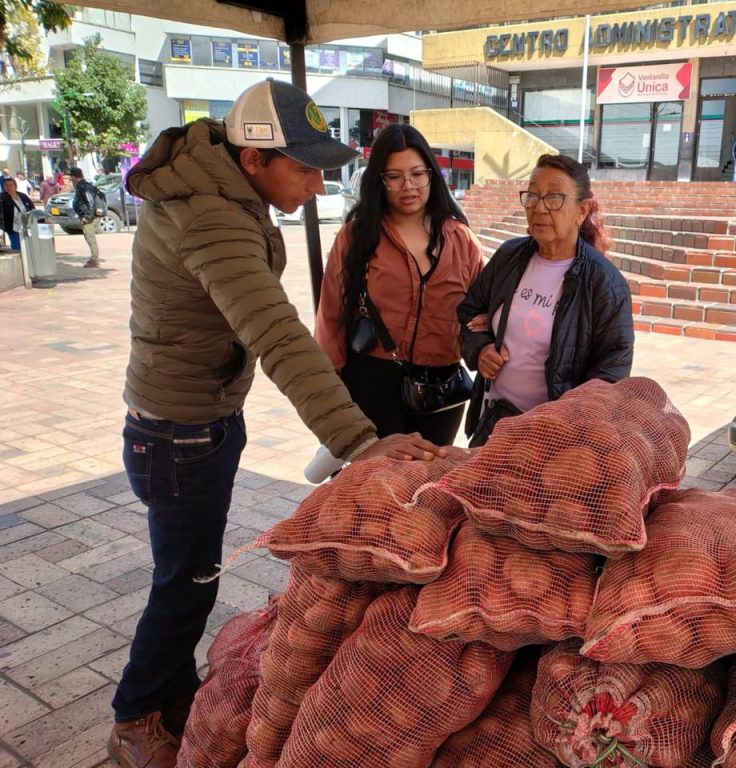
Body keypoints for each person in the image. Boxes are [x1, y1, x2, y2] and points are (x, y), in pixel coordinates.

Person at [107, 79, 444, 768]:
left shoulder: (225, 189)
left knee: (192, 573)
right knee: (186, 580)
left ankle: (170, 692)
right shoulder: (212, 216)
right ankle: (134, 715)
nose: (319, 186)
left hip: (200, 420)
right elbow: (278, 336)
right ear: (254, 159)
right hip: (179, 433)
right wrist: (360, 443)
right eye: (306, 168)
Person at [315, 124, 484, 446]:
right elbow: (331, 316)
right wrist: (328, 392)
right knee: (382, 472)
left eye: (417, 174)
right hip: (373, 379)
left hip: (442, 384)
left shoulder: (460, 239)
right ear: (380, 180)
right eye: (394, 176)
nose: (408, 186)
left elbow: (483, 308)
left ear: (432, 176)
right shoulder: (357, 237)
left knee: (431, 469)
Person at [458, 153, 634, 445]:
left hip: (553, 439)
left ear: (581, 210)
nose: (539, 208)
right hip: (494, 423)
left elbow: (611, 370)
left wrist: (565, 427)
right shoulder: (509, 256)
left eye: (554, 198)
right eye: (532, 196)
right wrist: (481, 348)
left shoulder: (604, 283)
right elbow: (468, 311)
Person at [69, 167, 103, 267]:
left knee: (90, 237)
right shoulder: (83, 185)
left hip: (89, 216)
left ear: (74, 177)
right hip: (88, 215)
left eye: (71, 177)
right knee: (89, 237)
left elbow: (90, 202)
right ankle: (94, 258)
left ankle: (94, 260)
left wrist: (87, 217)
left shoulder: (83, 186)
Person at [0, 176, 34, 251]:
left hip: (26, 225)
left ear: (15, 186)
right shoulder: (2, 197)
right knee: (17, 248)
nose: (8, 187)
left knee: (28, 247)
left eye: (11, 185)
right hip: (13, 227)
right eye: (6, 185)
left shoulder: (23, 196)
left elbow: (32, 208)